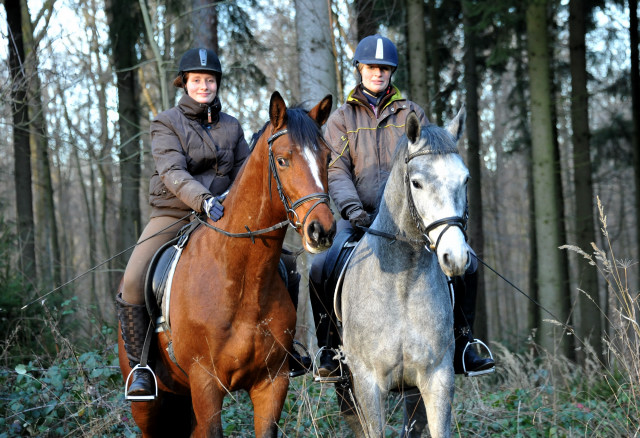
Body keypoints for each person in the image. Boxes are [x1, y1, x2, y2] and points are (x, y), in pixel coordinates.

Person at [309, 34, 495, 378]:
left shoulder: (412, 112)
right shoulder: (340, 119)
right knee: (321, 263)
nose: (377, 74)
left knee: (467, 264)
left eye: (384, 69)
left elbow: (431, 167)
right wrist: (353, 211)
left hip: (412, 221)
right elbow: (336, 170)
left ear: (391, 73)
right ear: (359, 69)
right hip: (360, 216)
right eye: (371, 68)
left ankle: (463, 344)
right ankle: (330, 350)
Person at [116, 47, 250, 398]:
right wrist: (203, 200)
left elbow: (247, 173)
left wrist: (233, 202)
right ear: (184, 83)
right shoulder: (166, 122)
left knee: (284, 264)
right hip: (175, 212)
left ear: (216, 83)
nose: (203, 86)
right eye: (196, 80)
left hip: (224, 215)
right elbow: (172, 171)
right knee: (132, 281)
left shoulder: (233, 127)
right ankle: (142, 367)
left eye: (209, 80)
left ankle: (285, 350)